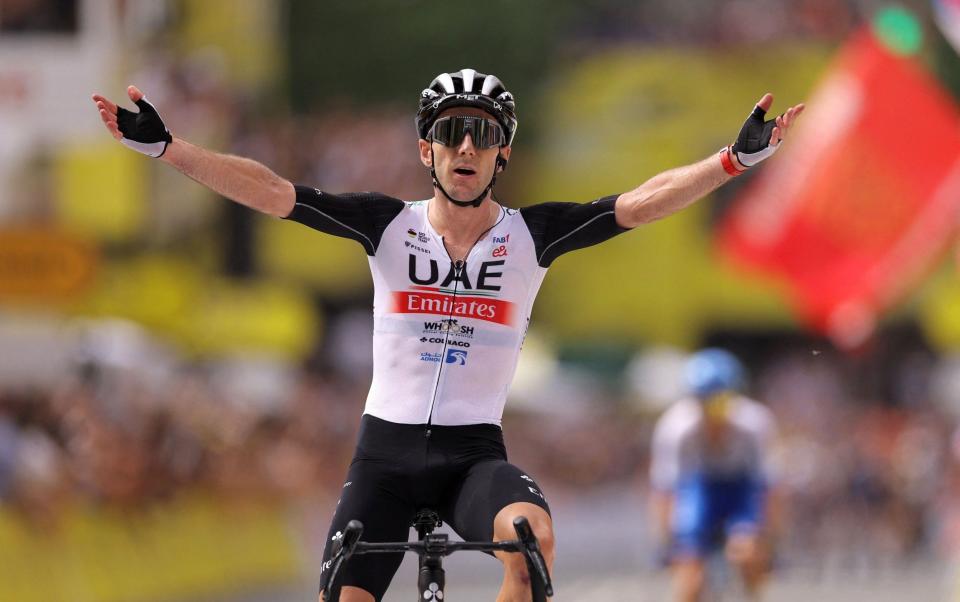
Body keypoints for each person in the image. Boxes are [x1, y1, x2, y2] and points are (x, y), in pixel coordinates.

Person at [92, 69, 803, 602]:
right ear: (425, 152)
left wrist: (732, 162)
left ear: (503, 157)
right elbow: (270, 190)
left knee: (531, 544)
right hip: (383, 455)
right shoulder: (383, 224)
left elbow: (641, 204)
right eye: (450, 132)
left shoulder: (534, 235)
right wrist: (168, 148)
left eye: (485, 134)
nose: (466, 146)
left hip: (473, 458)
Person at [649, 348, 782, 602]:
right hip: (698, 488)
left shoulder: (755, 424)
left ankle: (752, 593)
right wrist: (666, 544)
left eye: (719, 403)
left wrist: (772, 541)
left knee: (747, 552)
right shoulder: (675, 429)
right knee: (690, 574)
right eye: (703, 402)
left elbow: (769, 489)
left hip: (740, 487)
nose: (711, 413)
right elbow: (664, 493)